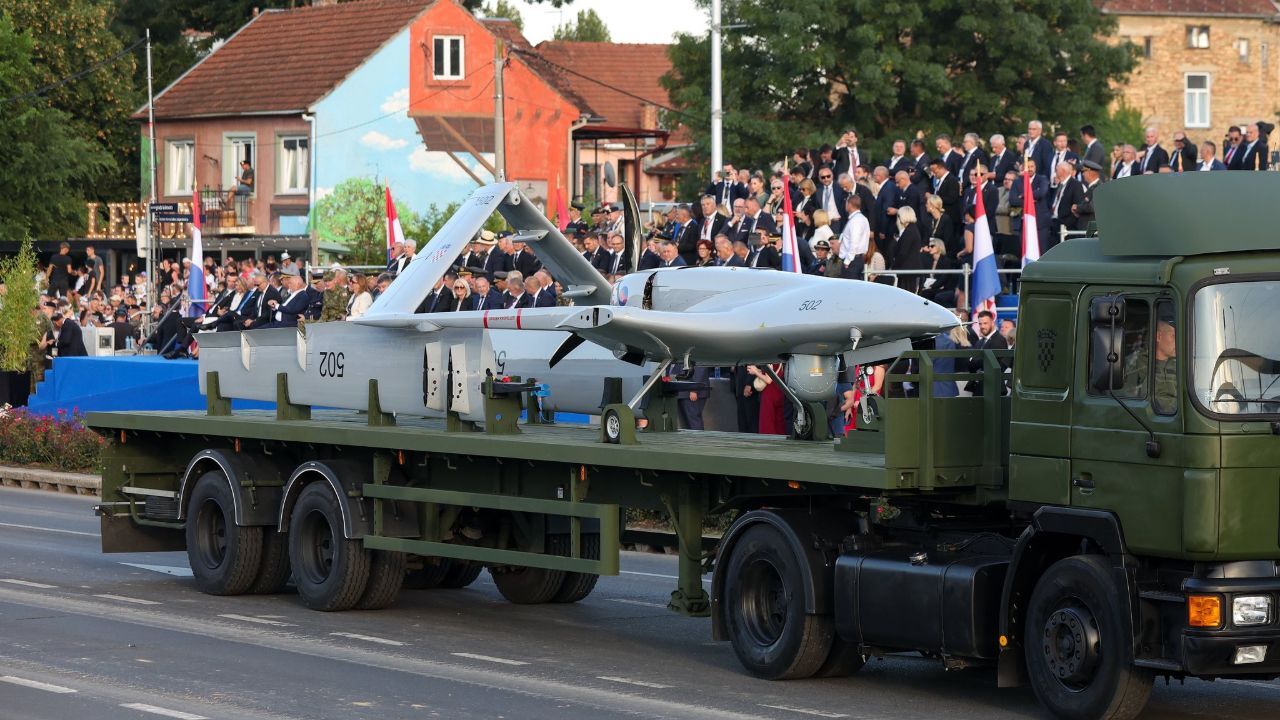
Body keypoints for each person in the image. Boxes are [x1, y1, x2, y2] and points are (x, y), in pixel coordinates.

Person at [747, 364, 787, 435]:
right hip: (779, 391)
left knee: (767, 423)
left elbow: (768, 380)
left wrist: (755, 371)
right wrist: (758, 370)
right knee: (779, 424)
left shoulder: (770, 359)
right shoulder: (779, 359)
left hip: (769, 393)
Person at [891, 206, 924, 292]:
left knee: (905, 295)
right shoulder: (912, 229)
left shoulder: (909, 231)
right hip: (908, 270)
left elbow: (903, 253)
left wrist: (894, 266)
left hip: (908, 271)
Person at [1152, 319, 1177, 415]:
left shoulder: (1178, 366)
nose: (1177, 342)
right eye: (1173, 336)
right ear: (1158, 336)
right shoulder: (1137, 364)